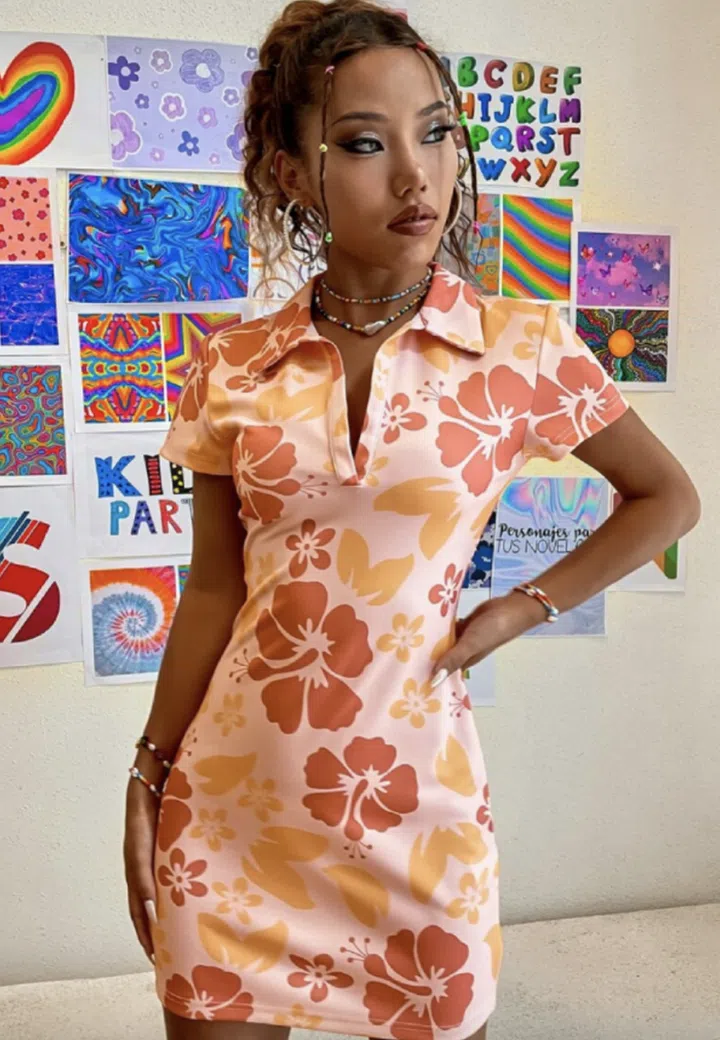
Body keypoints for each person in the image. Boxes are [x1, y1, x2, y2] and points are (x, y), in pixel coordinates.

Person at [123, 3, 701, 1038]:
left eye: (435, 134)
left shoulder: (521, 346)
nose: (415, 176)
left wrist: (521, 607)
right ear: (293, 175)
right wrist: (148, 770)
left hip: (416, 810)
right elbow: (212, 588)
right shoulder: (231, 364)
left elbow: (670, 497)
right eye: (363, 143)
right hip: (233, 811)